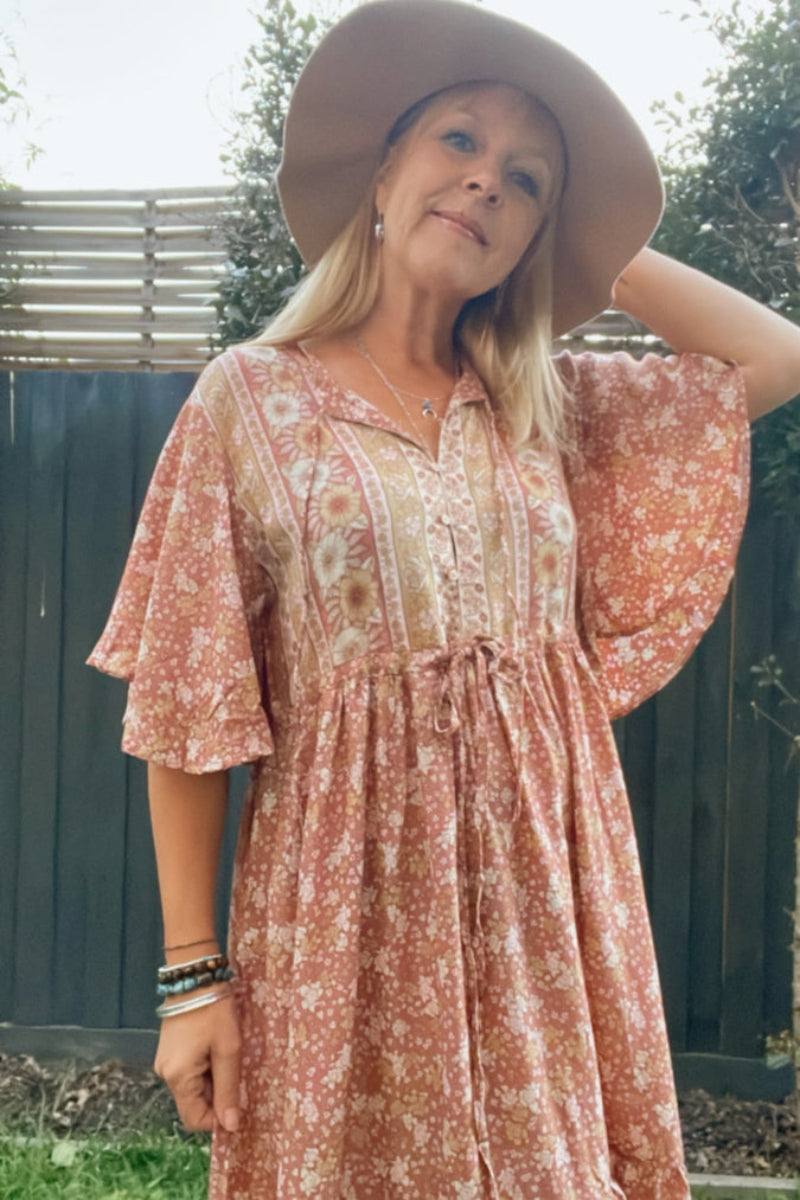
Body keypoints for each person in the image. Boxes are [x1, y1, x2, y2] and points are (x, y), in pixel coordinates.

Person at [88, 2, 800, 1197]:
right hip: (342, 918)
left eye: (521, 180)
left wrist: (591, 247)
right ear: (383, 167)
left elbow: (771, 358)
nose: (482, 184)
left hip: (545, 910)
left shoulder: (547, 407)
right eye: (457, 145)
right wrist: (189, 976)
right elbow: (189, 697)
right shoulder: (247, 401)